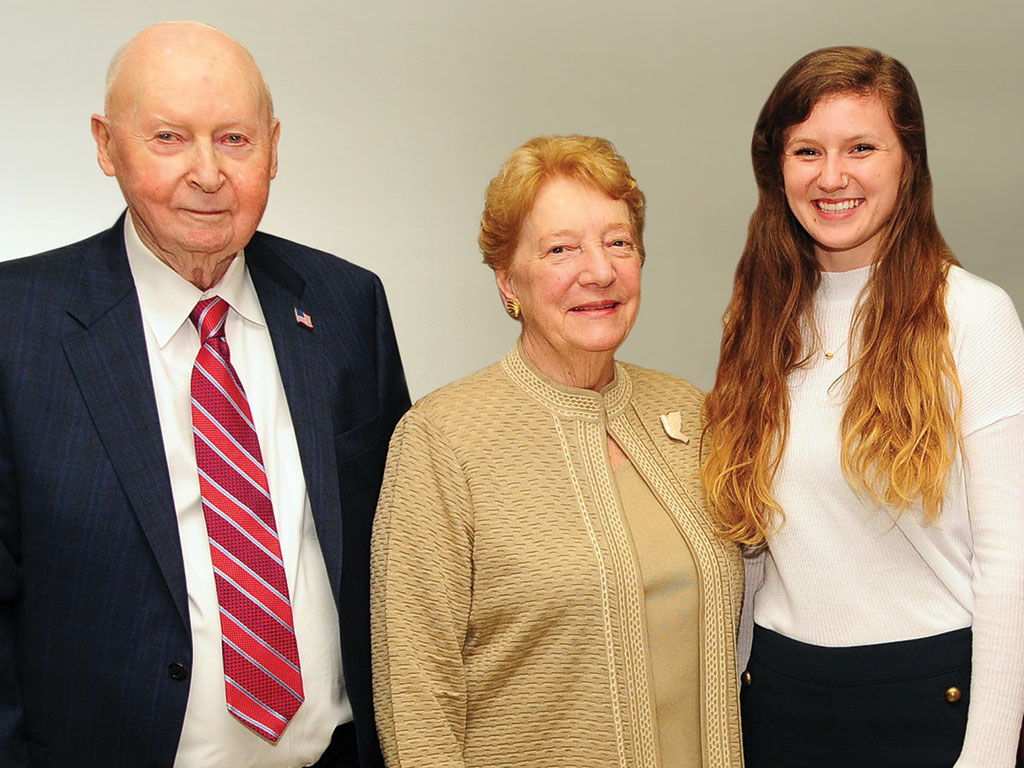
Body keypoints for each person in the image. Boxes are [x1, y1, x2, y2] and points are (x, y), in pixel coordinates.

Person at [0, 21, 409, 768]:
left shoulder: (348, 306)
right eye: (168, 138)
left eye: (233, 140)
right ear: (105, 144)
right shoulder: (14, 325)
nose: (207, 173)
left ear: (274, 147)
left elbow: (403, 560)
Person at [370, 135, 744, 767]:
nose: (598, 270)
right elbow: (416, 696)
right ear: (506, 280)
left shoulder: (690, 413)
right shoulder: (442, 438)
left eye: (618, 241)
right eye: (560, 248)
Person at [702, 45, 1024, 767]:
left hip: (929, 706)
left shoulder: (971, 316)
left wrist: (991, 755)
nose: (832, 175)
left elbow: (1011, 562)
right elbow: (756, 544)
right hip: (778, 701)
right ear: (776, 167)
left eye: (862, 147)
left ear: (908, 160)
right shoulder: (755, 321)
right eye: (806, 150)